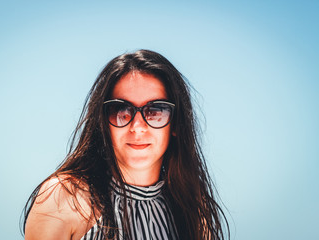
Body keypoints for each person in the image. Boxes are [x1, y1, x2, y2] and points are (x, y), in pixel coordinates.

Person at [22, 49, 229, 240]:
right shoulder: (64, 198)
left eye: (155, 111)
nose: (137, 127)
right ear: (103, 123)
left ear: (175, 124)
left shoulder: (192, 210)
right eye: (122, 111)